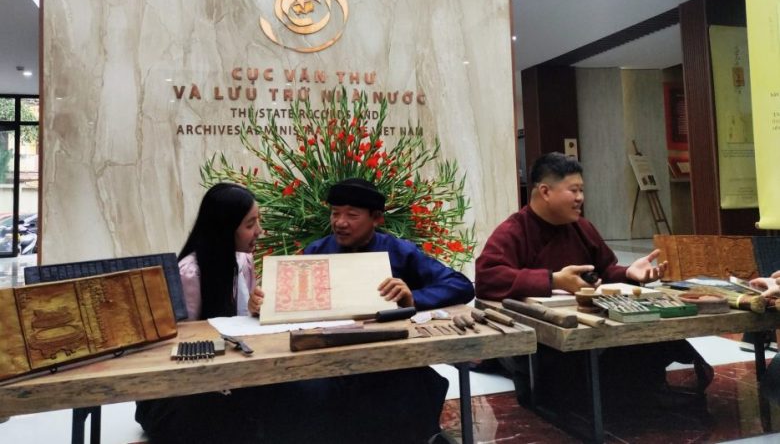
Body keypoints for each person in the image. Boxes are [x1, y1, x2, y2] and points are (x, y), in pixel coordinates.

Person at [475, 152, 712, 410]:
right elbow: (488, 277)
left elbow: (605, 270)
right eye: (573, 190)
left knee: (646, 343)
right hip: (542, 335)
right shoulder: (514, 231)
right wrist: (553, 280)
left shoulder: (582, 228)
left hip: (590, 325)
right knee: (565, 374)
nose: (580, 198)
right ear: (545, 192)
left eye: (582, 190)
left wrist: (629, 273)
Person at [249, 177, 475, 443]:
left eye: (352, 215)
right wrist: (261, 304)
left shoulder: (400, 252)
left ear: (376, 218)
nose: (340, 222)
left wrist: (413, 298)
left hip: (386, 363)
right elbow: (284, 301)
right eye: (335, 213)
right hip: (325, 364)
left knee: (407, 392)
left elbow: (459, 284)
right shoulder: (317, 252)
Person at [135, 182, 274, 443]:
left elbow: (242, 322)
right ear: (225, 228)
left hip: (226, 376)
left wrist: (255, 308)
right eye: (250, 224)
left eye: (258, 221)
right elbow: (182, 343)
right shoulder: (190, 273)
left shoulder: (243, 260)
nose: (259, 231)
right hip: (180, 392)